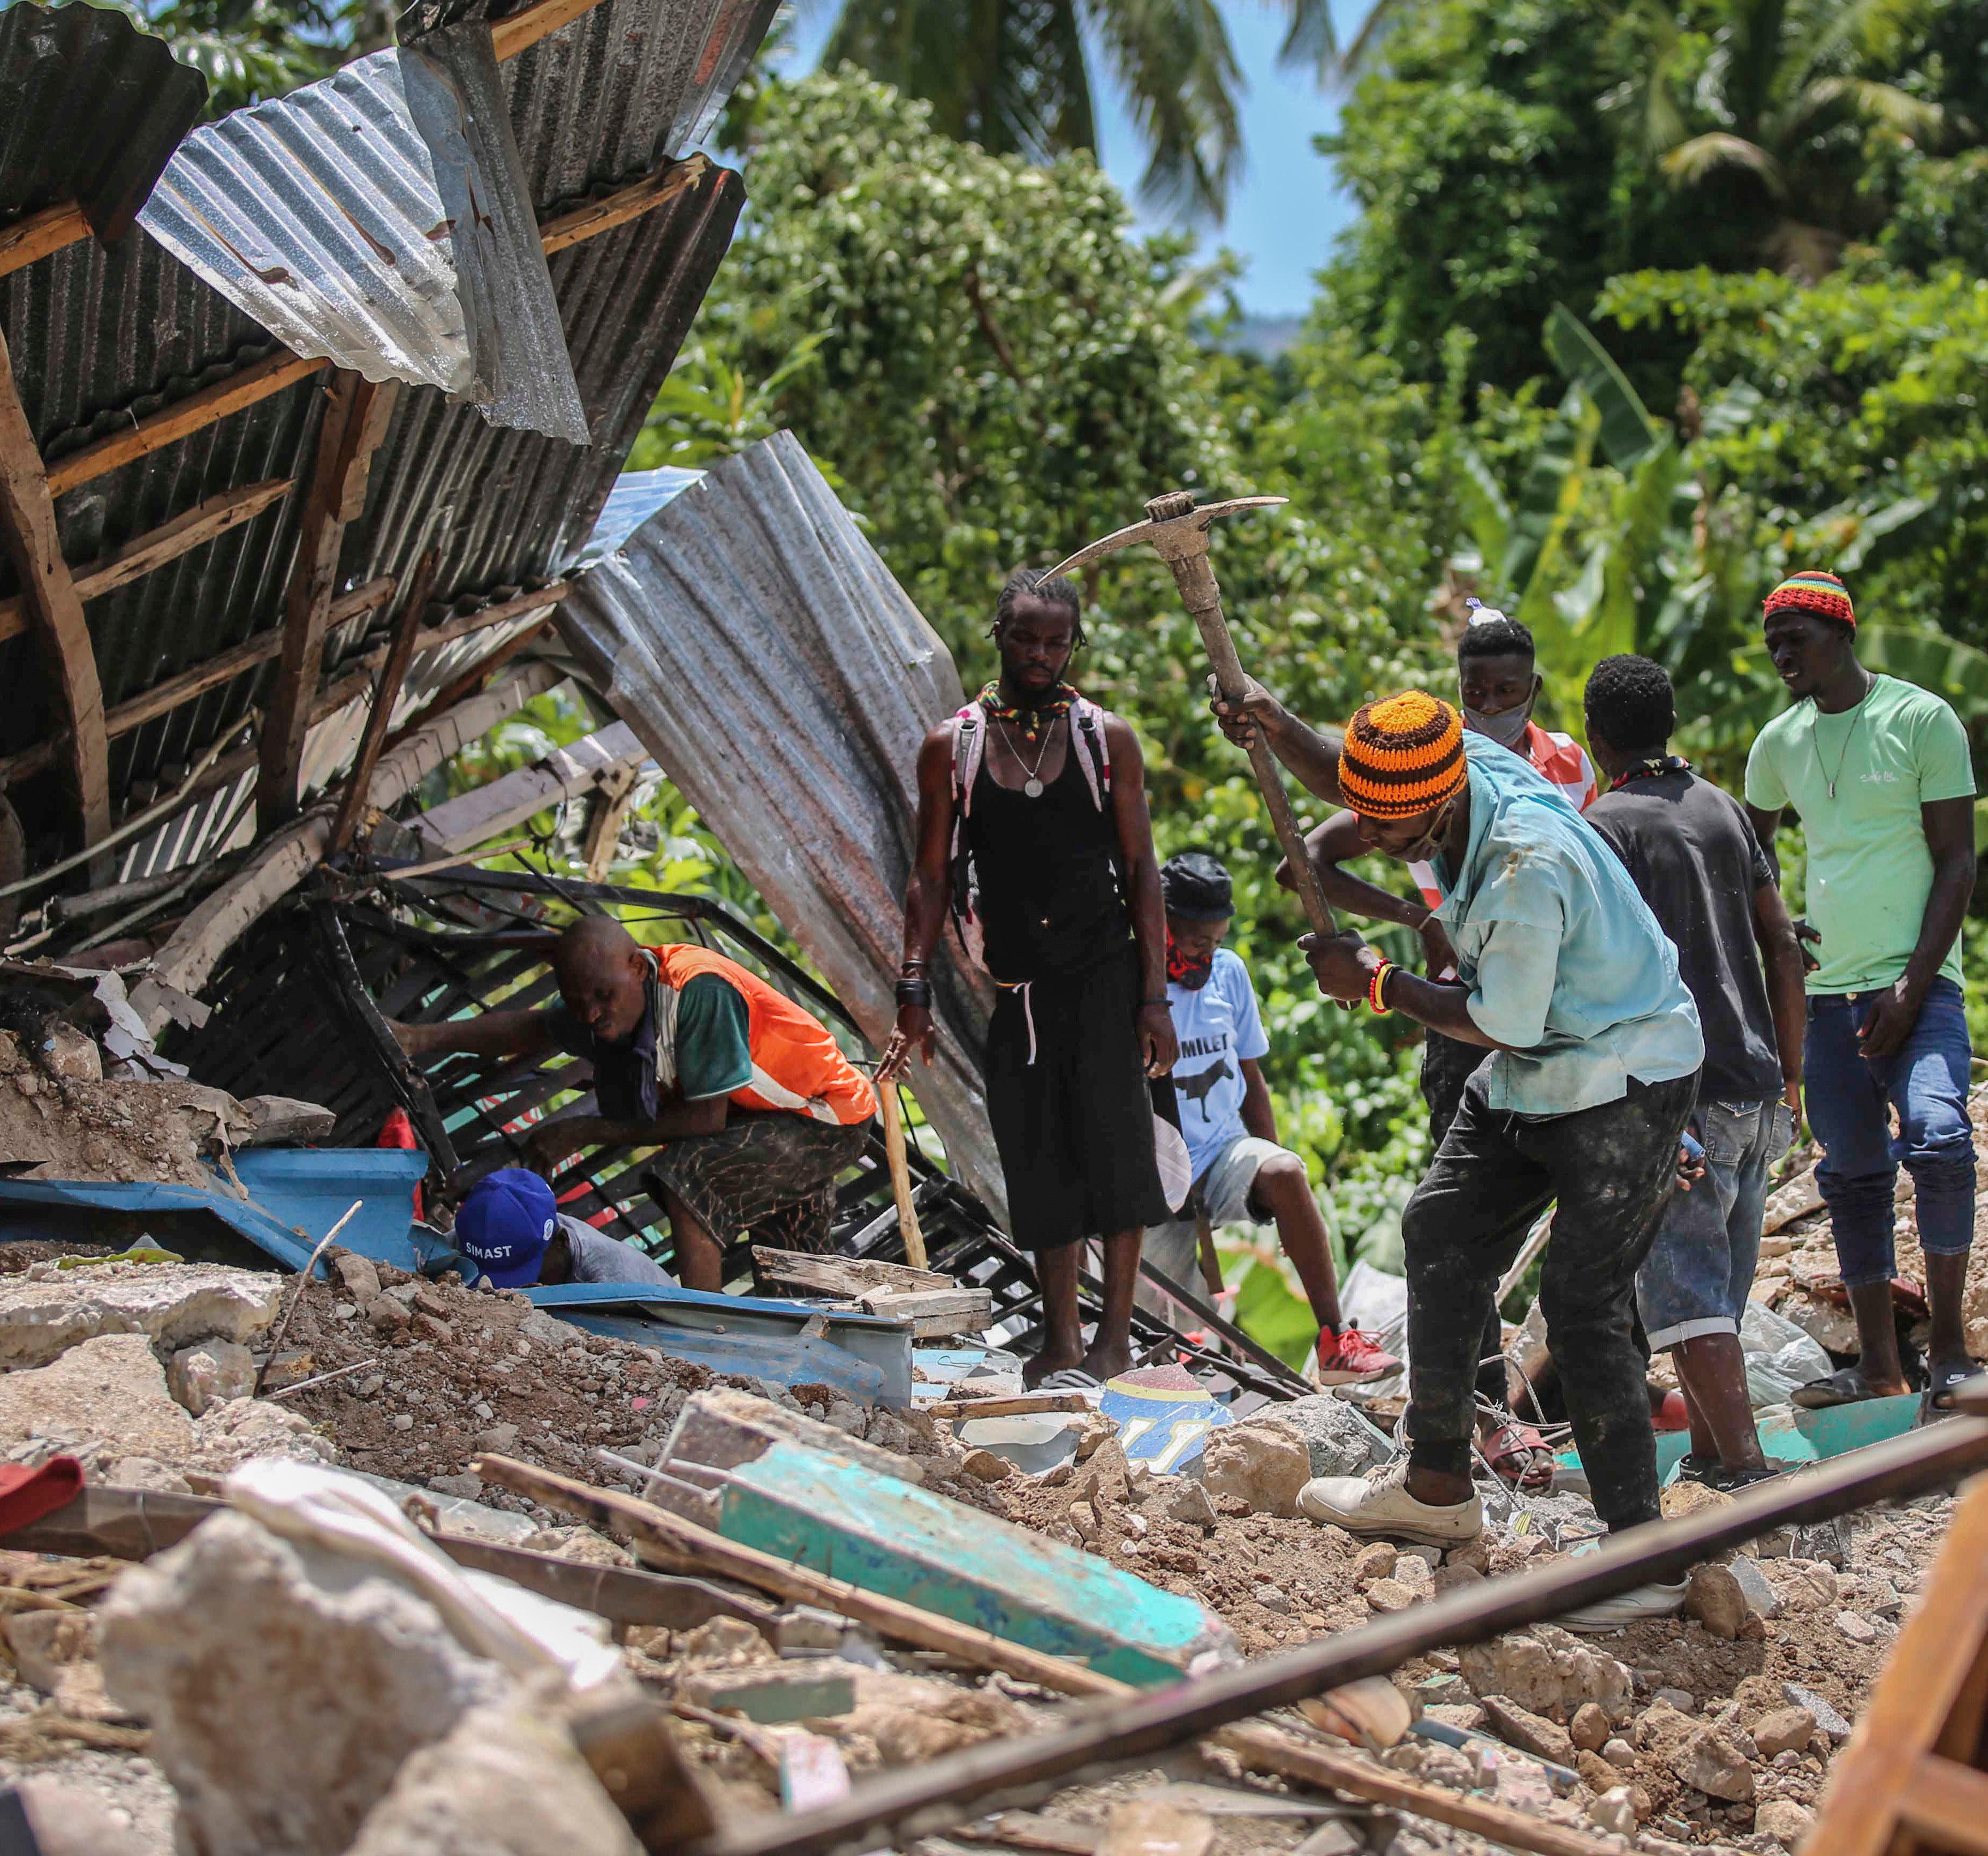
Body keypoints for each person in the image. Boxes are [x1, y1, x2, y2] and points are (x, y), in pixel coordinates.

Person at [1217, 685, 1702, 1624]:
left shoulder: (1524, 860)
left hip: (1620, 1074)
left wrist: (1374, 987)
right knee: (1438, 1226)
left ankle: (1645, 1560)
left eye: (1394, 838)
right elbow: (1361, 786)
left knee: (1580, 1302)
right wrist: (1277, 725)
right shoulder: (1447, 766)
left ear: (1439, 803)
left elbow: (1498, 1023)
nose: (1377, 843)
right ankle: (1437, 1486)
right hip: (1539, 1065)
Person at [1292, 605, 1598, 1484]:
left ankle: (1554, 1402)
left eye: (1505, 691)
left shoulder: (1567, 764)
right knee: (1461, 1221)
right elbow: (1312, 851)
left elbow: (1596, 865)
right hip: (1465, 1012)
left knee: (1578, 1209)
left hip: (1562, 1013)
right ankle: (1484, 1408)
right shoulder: (1431, 765)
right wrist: (1415, 916)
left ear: (1531, 690)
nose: (1490, 703)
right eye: (1475, 691)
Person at [879, 567, 1176, 1389]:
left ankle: (1113, 1341)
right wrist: (914, 984)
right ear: (998, 638)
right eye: (1025, 639)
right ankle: (1061, 1343)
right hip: (1017, 993)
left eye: (1056, 642)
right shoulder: (956, 746)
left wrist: (1153, 999)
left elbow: (1141, 869)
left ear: (1074, 646)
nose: (1040, 655)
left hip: (1105, 980)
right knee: (1036, 1159)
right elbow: (929, 876)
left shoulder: (1101, 738)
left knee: (1116, 1155)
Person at [1740, 571, 1983, 1409]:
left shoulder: (1919, 719)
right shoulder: (1777, 742)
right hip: (1827, 998)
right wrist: (1779, 929)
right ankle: (1880, 1367)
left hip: (1919, 990)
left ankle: (1950, 1353)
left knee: (1941, 1140)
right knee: (1850, 1175)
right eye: (1772, 642)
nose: (1781, 655)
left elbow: (1957, 860)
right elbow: (1753, 852)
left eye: (1795, 639)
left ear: (1841, 635)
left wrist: (1912, 988)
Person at [1581, 655, 1808, 1489]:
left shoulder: (1604, 826)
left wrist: (1646, 1113)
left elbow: (1609, 978)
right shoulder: (1719, 808)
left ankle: (1747, 1476)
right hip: (1755, 1089)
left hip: (1680, 1095)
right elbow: (1780, 944)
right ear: (1668, 723)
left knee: (1685, 1298)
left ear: (1592, 733)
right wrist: (1792, 1078)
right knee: (1716, 1299)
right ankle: (1713, 1462)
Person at [394, 915, 877, 1290]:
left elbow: (704, 1118)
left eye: (604, 997)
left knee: (687, 1177)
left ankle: (699, 1335)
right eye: (577, 1001)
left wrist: (582, 1131)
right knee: (796, 1264)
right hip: (762, 1117)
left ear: (638, 968)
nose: (592, 1015)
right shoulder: (602, 1003)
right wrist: (420, 1038)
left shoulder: (698, 992)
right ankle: (819, 1358)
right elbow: (536, 1028)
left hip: (825, 1115)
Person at [1143, 851, 1400, 1387]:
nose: (1209, 957)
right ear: (1161, 928)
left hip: (1220, 1152)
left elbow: (1250, 1078)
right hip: (1150, 1174)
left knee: (1284, 1171)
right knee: (1163, 1339)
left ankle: (1335, 1340)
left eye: (1217, 942)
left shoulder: (1229, 975)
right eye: (1195, 943)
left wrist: (1279, 1195)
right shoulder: (1132, 985)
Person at [458, 1164, 673, 1289]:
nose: (508, 1291)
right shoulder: (476, 1229)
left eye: (524, 1274)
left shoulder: (614, 1283)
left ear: (562, 1242)